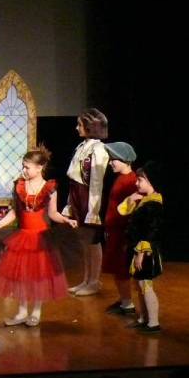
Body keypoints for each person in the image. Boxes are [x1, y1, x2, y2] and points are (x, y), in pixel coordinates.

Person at [0, 147, 77, 327]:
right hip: (23, 237)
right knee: (22, 276)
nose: (24, 170)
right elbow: (14, 212)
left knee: (38, 276)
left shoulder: (49, 188)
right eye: (23, 166)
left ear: (39, 167)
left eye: (27, 167)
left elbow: (53, 213)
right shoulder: (20, 186)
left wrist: (66, 220)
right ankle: (21, 312)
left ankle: (36, 311)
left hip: (40, 239)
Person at [64, 108, 110, 296]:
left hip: (89, 197)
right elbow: (74, 176)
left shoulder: (98, 149)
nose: (77, 128)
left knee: (93, 240)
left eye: (80, 125)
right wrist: (70, 204)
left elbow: (96, 182)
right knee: (84, 240)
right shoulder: (82, 146)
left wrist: (93, 210)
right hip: (78, 194)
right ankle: (86, 279)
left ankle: (94, 281)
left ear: (90, 127)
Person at [118, 161, 164, 333]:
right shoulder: (144, 200)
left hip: (146, 253)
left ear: (151, 181)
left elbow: (151, 231)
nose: (137, 183)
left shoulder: (154, 204)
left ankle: (153, 322)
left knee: (146, 285)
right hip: (137, 249)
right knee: (139, 286)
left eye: (140, 180)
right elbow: (122, 211)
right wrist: (131, 199)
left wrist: (141, 254)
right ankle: (143, 318)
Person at [102, 142, 138, 316]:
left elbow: (131, 210)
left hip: (122, 233)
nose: (110, 162)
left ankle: (128, 304)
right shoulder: (121, 178)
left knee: (121, 268)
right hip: (114, 231)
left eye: (114, 159)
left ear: (125, 160)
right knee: (117, 268)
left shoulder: (131, 181)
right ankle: (124, 300)